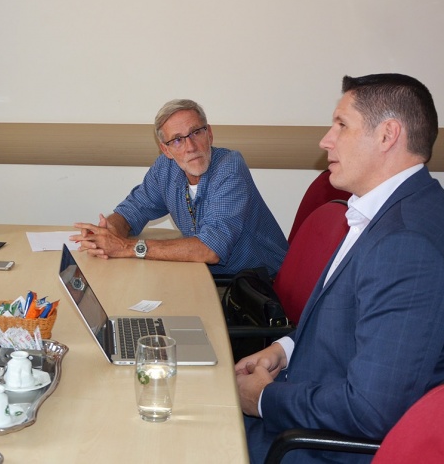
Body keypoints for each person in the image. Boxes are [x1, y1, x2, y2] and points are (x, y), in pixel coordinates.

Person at [236, 73, 444, 464]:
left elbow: (370, 409)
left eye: (341, 125)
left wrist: (263, 398)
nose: (325, 140)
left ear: (387, 135)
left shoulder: (407, 242)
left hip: (313, 447)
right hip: (304, 410)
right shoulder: (386, 211)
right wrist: (285, 349)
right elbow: (350, 318)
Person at [71, 99, 287, 276]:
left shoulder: (229, 168)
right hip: (207, 278)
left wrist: (125, 248)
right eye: (177, 140)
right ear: (165, 150)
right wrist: (109, 231)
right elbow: (133, 210)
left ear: (209, 134)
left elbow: (210, 250)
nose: (190, 147)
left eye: (196, 133)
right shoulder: (166, 168)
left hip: (258, 289)